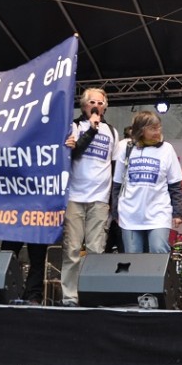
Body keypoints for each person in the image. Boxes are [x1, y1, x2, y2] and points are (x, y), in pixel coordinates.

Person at [60, 88, 116, 306]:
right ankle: (70, 297)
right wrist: (91, 130)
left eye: (101, 103)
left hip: (100, 198)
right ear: (84, 105)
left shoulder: (112, 131)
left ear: (106, 106)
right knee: (72, 249)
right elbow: (73, 154)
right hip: (75, 196)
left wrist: (111, 200)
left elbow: (112, 165)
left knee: (95, 250)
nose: (97, 106)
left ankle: (91, 293)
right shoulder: (74, 126)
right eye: (92, 102)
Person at [111, 111, 182, 253]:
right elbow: (117, 184)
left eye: (159, 127)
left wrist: (177, 212)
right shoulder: (125, 148)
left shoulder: (167, 149)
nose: (157, 132)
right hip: (129, 214)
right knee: (133, 257)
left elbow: (175, 185)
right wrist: (115, 213)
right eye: (152, 128)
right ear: (140, 130)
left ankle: (162, 276)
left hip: (158, 212)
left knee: (159, 249)